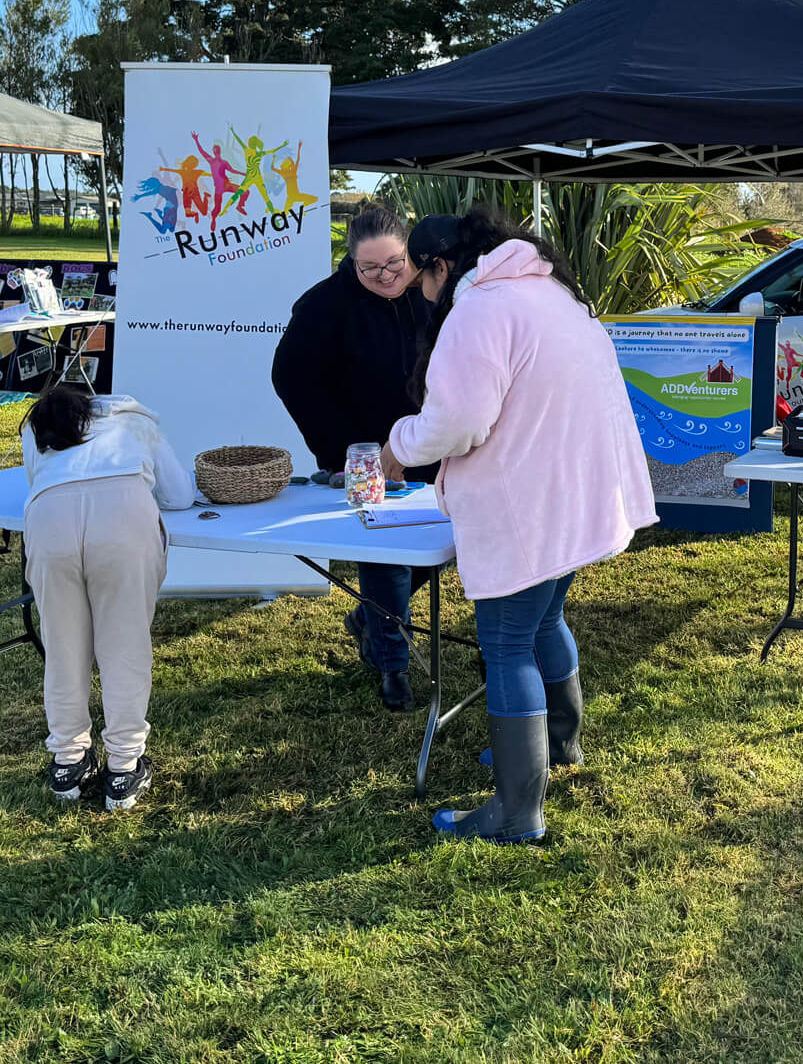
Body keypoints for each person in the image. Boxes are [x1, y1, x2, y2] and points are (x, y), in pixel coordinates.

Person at [383, 207, 656, 843]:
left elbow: (459, 422)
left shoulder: (480, 308)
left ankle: (516, 810)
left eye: (421, 280)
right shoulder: (549, 291)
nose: (423, 295)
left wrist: (399, 446)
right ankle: (559, 745)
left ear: (440, 266)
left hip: (530, 507)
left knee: (507, 643)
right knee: (544, 622)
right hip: (577, 497)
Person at [272, 205, 436, 711]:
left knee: (437, 547)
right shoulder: (323, 305)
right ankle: (394, 668)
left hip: (431, 442)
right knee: (385, 559)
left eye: (396, 264)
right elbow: (291, 378)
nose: (387, 277)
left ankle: (369, 617)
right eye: (371, 270)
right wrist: (340, 448)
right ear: (351, 264)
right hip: (365, 454)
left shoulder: (433, 292)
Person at [21, 387, 192, 810]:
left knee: (63, 650)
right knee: (124, 648)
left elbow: (35, 479)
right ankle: (123, 766)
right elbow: (179, 496)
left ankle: (67, 761)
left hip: (49, 524)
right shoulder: (139, 421)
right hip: (122, 523)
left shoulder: (37, 424)